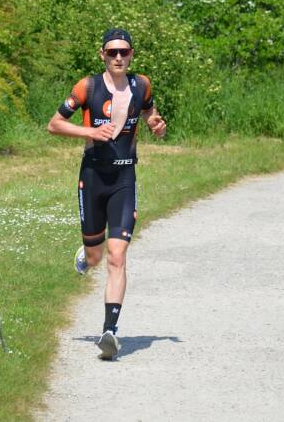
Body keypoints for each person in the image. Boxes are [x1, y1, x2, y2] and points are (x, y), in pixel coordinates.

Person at [47, 28, 167, 359]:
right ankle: (86, 255)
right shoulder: (87, 86)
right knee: (97, 256)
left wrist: (157, 124)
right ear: (102, 54)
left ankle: (109, 333)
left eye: (124, 52)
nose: (118, 57)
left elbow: (150, 113)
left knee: (117, 255)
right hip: (93, 176)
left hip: (124, 178)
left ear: (131, 55)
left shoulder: (141, 85)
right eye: (112, 52)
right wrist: (90, 132)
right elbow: (54, 124)